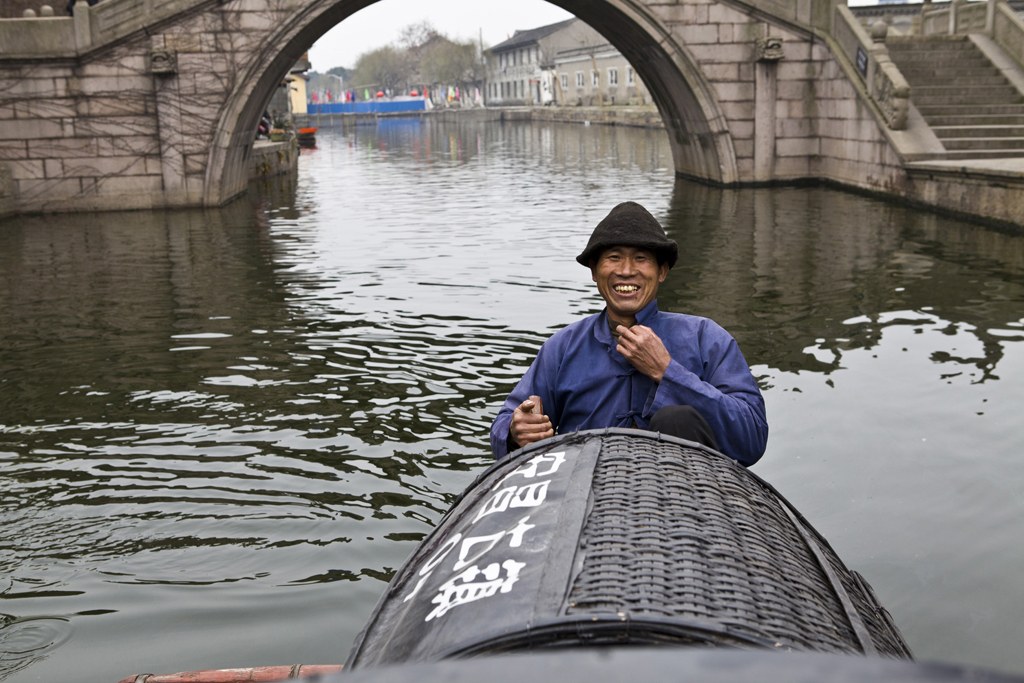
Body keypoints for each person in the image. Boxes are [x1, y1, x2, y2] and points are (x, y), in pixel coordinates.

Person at [489, 201, 768, 467]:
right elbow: (505, 422)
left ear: (662, 271)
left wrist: (668, 372)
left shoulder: (706, 338)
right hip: (585, 495)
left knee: (677, 419)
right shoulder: (562, 348)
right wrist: (517, 432)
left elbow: (752, 438)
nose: (626, 270)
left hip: (685, 502)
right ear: (594, 271)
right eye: (613, 258)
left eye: (641, 258)